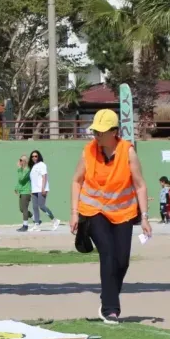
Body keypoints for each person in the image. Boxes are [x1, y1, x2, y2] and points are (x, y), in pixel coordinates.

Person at [69, 109, 151, 325]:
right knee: (107, 253)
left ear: (114, 132)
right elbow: (76, 181)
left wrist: (144, 217)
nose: (96, 135)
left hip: (123, 212)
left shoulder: (128, 152)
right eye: (95, 131)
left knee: (122, 260)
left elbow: (140, 185)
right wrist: (74, 213)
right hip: (93, 211)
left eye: (101, 131)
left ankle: (107, 295)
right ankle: (110, 309)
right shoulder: (88, 151)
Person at [28, 150, 59, 232]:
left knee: (41, 206)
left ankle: (54, 220)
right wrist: (31, 189)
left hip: (41, 189)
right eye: (32, 156)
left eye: (36, 156)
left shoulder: (42, 164)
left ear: (39, 156)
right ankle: (36, 225)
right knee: (35, 207)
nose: (34, 157)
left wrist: (43, 188)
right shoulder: (33, 166)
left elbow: (44, 176)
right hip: (34, 190)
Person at [14, 155, 32, 232]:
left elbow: (21, 178)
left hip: (26, 191)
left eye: (21, 160)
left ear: (25, 161)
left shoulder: (27, 169)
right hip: (22, 191)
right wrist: (16, 188)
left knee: (24, 209)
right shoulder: (22, 170)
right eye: (19, 160)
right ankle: (35, 218)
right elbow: (20, 181)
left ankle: (25, 226)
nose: (19, 162)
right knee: (21, 209)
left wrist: (19, 168)